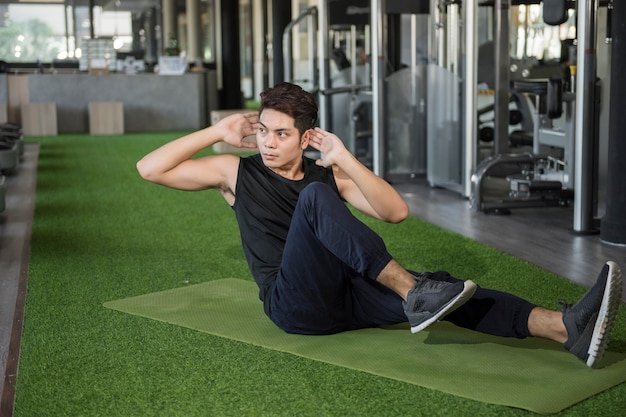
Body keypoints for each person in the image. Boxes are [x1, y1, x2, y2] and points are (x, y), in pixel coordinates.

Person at [137, 82, 622, 368]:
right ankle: (412, 291)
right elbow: (149, 169)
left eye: (281, 134)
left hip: (347, 294)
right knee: (315, 202)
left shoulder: (327, 174)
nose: (268, 143)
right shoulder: (234, 174)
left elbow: (395, 212)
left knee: (449, 289)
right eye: (263, 131)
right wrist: (219, 133)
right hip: (292, 304)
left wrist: (343, 156)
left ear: (305, 137)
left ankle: (565, 329)